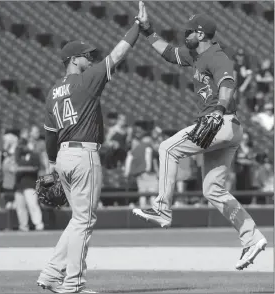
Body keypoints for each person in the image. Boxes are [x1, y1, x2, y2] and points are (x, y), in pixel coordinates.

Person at [133, 2, 267, 271]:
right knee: (212, 189)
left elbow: (227, 83)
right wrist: (147, 30)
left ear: (202, 34)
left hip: (219, 121)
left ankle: (162, 208)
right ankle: (252, 238)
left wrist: (218, 109)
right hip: (227, 128)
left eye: (189, 32)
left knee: (167, 148)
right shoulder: (196, 56)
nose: (185, 35)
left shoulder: (217, 56)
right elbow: (169, 54)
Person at [37, 4, 142, 293]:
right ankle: (73, 283)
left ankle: (49, 274)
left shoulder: (52, 93)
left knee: (78, 219)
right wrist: (138, 28)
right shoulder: (86, 80)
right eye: (86, 55)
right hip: (84, 155)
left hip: (63, 156)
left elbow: (49, 135)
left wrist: (51, 162)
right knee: (85, 220)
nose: (90, 58)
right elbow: (117, 55)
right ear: (73, 59)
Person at [14, 133, 44, 231]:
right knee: (20, 207)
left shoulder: (34, 155)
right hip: (19, 184)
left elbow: (35, 168)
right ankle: (23, 225)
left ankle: (38, 224)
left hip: (30, 183)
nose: (22, 147)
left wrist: (20, 169)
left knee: (32, 205)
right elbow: (14, 166)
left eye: (24, 144)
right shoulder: (18, 155)